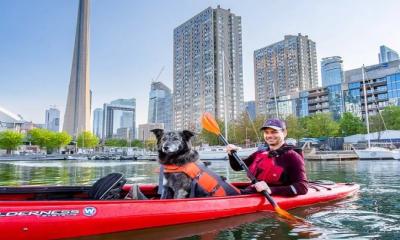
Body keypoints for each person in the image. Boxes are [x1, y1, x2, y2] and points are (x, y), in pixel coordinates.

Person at [226, 118, 308, 196]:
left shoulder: (292, 156)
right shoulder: (260, 153)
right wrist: (231, 154)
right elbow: (237, 167)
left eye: (274, 132)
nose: (269, 135)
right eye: (266, 132)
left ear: (284, 133)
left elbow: (302, 187)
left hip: (269, 195)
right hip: (251, 191)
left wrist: (271, 190)